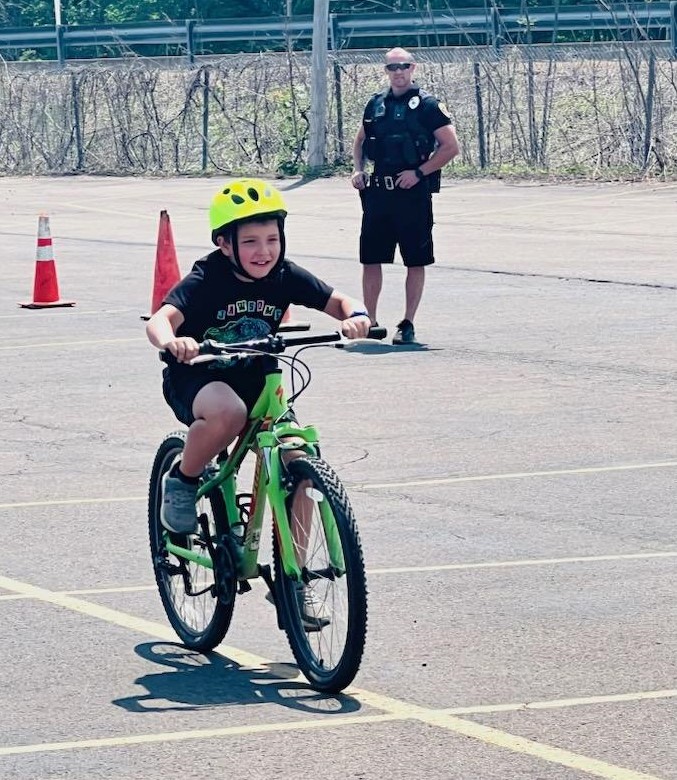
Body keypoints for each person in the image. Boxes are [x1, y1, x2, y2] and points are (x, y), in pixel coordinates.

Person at [146, 178, 371, 538]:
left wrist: (357, 316)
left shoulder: (285, 275)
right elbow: (160, 319)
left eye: (272, 240)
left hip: (259, 379)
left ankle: (295, 585)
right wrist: (173, 341)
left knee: (298, 458)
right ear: (224, 244)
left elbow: (340, 301)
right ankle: (182, 480)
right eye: (250, 241)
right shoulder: (207, 277)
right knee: (229, 413)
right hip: (199, 376)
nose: (263, 251)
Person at [351, 47, 460, 344]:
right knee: (371, 258)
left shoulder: (428, 106)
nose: (398, 72)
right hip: (379, 194)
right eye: (392, 67)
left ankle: (407, 323)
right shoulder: (375, 105)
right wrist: (358, 170)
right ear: (386, 71)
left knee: (415, 259)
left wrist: (420, 173)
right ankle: (370, 321)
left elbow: (451, 147)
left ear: (413, 68)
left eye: (404, 66)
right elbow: (359, 141)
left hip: (412, 195)